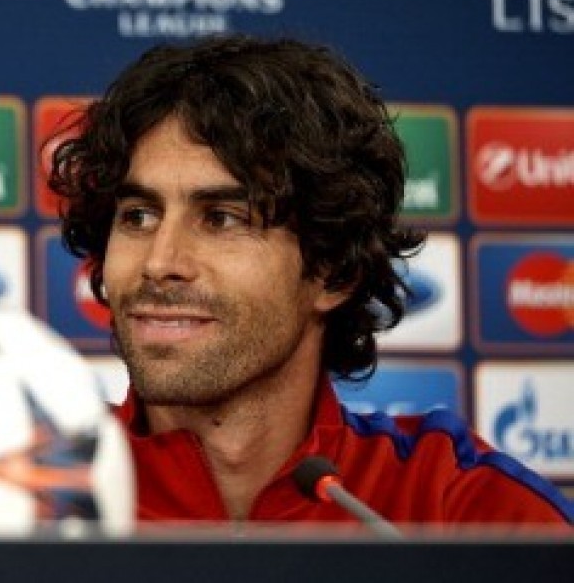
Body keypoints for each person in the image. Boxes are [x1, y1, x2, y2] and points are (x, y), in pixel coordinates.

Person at [48, 34, 573, 530]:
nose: (159, 261)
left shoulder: (456, 507)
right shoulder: (36, 496)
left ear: (334, 272)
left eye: (222, 219)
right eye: (138, 216)